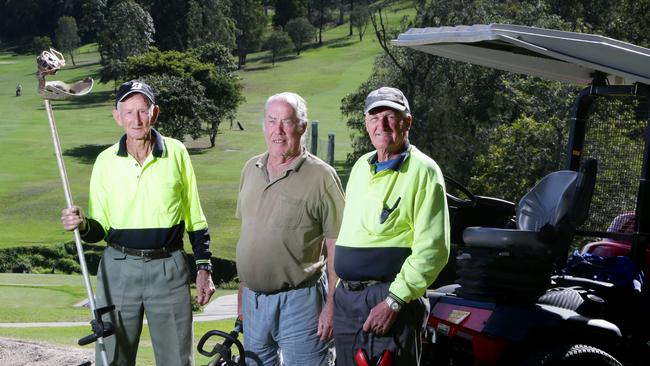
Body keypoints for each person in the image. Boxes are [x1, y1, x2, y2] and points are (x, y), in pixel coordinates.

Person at [61, 80, 215, 366]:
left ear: (154, 113)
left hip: (169, 268)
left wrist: (204, 267)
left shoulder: (177, 152)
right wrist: (82, 225)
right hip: (118, 269)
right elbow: (99, 229)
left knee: (177, 360)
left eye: (142, 110)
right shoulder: (105, 161)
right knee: (113, 356)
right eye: (128, 112)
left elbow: (195, 216)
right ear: (117, 116)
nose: (136, 119)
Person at [333, 86, 450, 365]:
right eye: (374, 118)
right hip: (347, 299)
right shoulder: (362, 166)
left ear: (407, 121)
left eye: (390, 116)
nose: (381, 125)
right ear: (365, 124)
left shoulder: (424, 170)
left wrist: (394, 301)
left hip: (389, 299)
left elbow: (433, 249)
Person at [235, 92, 345, 365]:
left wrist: (332, 306)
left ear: (302, 127)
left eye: (287, 121)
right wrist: (241, 297)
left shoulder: (322, 177)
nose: (278, 130)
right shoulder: (251, 168)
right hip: (254, 302)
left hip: (301, 303)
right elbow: (248, 236)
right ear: (264, 125)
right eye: (272, 121)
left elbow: (337, 245)